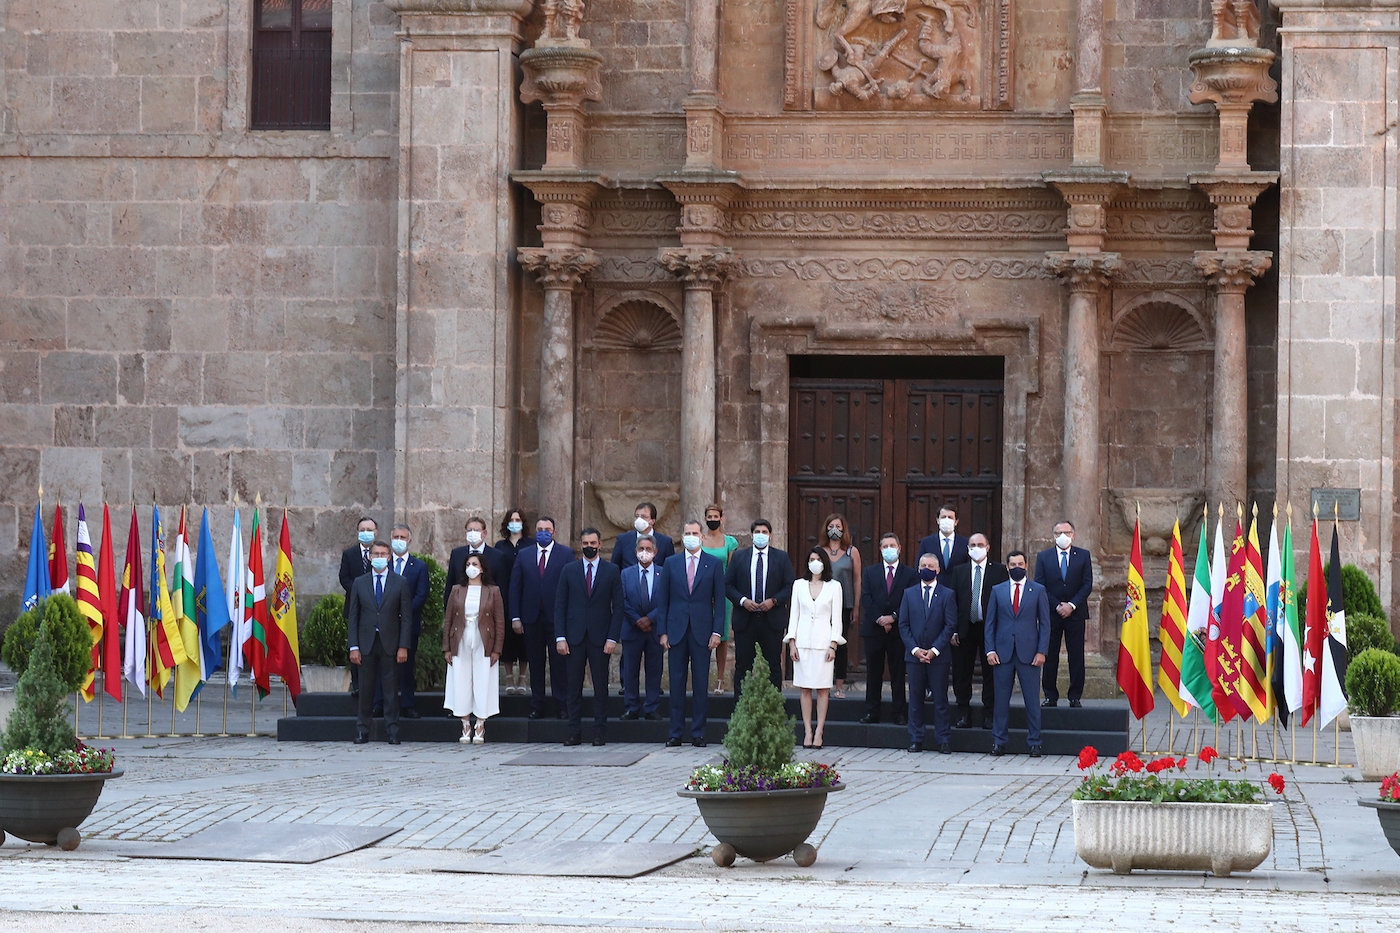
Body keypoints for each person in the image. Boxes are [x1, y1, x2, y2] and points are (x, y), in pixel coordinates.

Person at [655, 520, 725, 748]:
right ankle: (675, 732)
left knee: (700, 683)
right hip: (676, 630)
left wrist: (717, 631)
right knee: (676, 683)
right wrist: (662, 631)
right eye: (687, 533)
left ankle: (698, 732)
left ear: (702, 537)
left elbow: (720, 602)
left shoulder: (713, 564)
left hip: (702, 632)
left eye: (695, 533)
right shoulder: (671, 563)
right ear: (682, 536)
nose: (691, 536)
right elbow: (662, 600)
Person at [554, 528, 624, 746]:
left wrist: (613, 638)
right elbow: (560, 606)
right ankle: (574, 732)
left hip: (600, 638)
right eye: (585, 543)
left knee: (601, 688)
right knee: (573, 687)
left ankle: (598, 732)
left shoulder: (612, 571)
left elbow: (619, 607)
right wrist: (560, 637)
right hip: (573, 638)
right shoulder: (569, 570)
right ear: (580, 545)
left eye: (592, 542)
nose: (589, 546)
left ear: (600, 544)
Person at [984, 550, 1051, 757]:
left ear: (1026, 565)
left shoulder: (1038, 590)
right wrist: (990, 650)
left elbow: (1046, 624)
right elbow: (990, 623)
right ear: (1007, 567)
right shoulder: (998, 590)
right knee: (1001, 700)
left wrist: (1042, 651)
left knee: (1032, 700)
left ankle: (1034, 742)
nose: (1016, 568)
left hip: (1029, 654)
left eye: (1020, 564)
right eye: (1012, 565)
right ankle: (999, 741)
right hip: (1002, 653)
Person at [508, 516, 575, 719]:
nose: (543, 532)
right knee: (535, 663)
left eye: (547, 529)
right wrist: (515, 617)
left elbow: (572, 586)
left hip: (556, 618)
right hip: (531, 617)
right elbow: (515, 587)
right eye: (539, 529)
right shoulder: (524, 554)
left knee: (559, 664)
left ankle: (561, 705)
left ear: (554, 531)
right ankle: (537, 704)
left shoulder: (566, 553)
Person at [346, 540, 412, 745]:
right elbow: (353, 616)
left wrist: (403, 646)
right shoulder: (359, 582)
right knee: (365, 689)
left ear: (389, 557)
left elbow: (406, 618)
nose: (380, 557)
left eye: (384, 554)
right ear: (370, 557)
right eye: (376, 554)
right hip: (366, 643)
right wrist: (354, 646)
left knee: (391, 688)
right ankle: (362, 730)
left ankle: (392, 730)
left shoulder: (400, 582)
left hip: (390, 643)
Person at [725, 519, 794, 700]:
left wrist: (774, 600)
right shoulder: (739, 557)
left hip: (771, 620)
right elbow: (728, 585)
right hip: (745, 620)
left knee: (773, 665)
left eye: (764, 532)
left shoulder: (781, 557)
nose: (761, 535)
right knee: (743, 666)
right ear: (751, 535)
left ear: (770, 535)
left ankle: (773, 705)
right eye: (757, 532)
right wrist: (742, 601)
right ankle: (740, 707)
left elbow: (789, 586)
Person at [786, 547, 845, 750]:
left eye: (819, 559)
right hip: (803, 643)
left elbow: (836, 619)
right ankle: (807, 731)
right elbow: (794, 615)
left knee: (822, 689)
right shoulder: (798, 585)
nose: (815, 563)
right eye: (812, 559)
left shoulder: (834, 586)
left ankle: (819, 731)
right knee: (804, 689)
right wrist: (792, 642)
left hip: (823, 644)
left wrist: (833, 644)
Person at [948, 532, 1008, 729]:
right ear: (967, 548)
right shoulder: (960, 571)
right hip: (964, 629)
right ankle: (963, 712)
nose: (976, 548)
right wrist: (954, 629)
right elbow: (953, 602)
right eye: (972, 545)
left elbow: (1004, 602)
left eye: (980, 544)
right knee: (961, 672)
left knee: (990, 672)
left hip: (989, 629)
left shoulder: (999, 571)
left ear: (988, 547)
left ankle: (988, 713)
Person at [443, 554, 505, 744]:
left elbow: (499, 622)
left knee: (482, 679)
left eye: (475, 564)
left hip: (483, 640)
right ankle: (465, 723)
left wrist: (497, 649)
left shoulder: (493, 591)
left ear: (483, 568)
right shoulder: (457, 590)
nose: (471, 567)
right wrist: (446, 647)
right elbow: (448, 619)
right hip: (460, 639)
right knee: (461, 680)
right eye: (468, 564)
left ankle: (480, 723)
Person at [898, 551, 956, 754]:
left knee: (940, 699)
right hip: (914, 656)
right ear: (918, 568)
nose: (927, 570)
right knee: (915, 699)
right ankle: (916, 738)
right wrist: (915, 650)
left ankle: (943, 739)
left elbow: (950, 625)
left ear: (938, 570)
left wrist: (933, 650)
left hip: (938, 657)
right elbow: (903, 624)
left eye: (931, 566)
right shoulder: (909, 593)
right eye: (923, 566)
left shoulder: (947, 594)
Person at [1034, 520, 1093, 708]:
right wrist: (1058, 605)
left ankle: (1075, 695)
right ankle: (1050, 695)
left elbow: (1087, 584)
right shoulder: (1044, 557)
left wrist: (1072, 605)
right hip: (1052, 613)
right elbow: (1040, 584)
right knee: (1050, 655)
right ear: (1053, 536)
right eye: (1058, 533)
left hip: (1075, 614)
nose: (1063, 536)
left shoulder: (1083, 556)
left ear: (1073, 535)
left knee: (1076, 656)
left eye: (1066, 532)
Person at [859, 532, 915, 725]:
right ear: (880, 550)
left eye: (892, 545)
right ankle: (872, 711)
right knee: (873, 672)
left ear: (899, 548)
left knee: (898, 672)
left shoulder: (909, 574)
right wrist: (880, 619)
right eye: (885, 546)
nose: (889, 549)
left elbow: (910, 599)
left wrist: (893, 617)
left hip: (899, 630)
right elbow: (866, 597)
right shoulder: (870, 572)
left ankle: (899, 712)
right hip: (874, 629)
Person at [376, 523, 429, 719]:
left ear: (410, 541)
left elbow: (421, 595)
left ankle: (407, 704)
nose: (399, 541)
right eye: (395, 537)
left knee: (407, 667)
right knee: (383, 665)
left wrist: (402, 612)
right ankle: (379, 704)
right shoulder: (383, 564)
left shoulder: (419, 567)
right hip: (384, 625)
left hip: (408, 625)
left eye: (402, 537)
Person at [620, 534, 665, 721]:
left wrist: (650, 619)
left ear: (655, 552)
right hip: (632, 629)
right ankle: (631, 707)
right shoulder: (626, 574)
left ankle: (651, 707)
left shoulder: (663, 573)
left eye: (648, 549)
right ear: (635, 552)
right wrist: (637, 620)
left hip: (654, 630)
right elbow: (621, 600)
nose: (644, 553)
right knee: (630, 669)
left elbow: (665, 599)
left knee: (654, 669)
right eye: (641, 549)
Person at [820, 513, 862, 699]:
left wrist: (856, 606)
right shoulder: (819, 550)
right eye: (830, 526)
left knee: (841, 643)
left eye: (837, 526)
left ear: (844, 528)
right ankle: (823, 683)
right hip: (822, 604)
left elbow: (857, 579)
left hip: (844, 604)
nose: (834, 529)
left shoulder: (852, 551)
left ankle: (839, 685)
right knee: (822, 643)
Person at [699, 504, 739, 692]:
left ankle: (720, 680)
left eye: (716, 516)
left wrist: (721, 592)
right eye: (709, 516)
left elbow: (731, 570)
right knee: (702, 634)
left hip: (723, 594)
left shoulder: (729, 542)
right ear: (705, 519)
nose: (713, 519)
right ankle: (702, 677)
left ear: (721, 519)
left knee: (722, 636)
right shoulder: (699, 540)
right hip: (701, 594)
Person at [338, 516, 377, 696]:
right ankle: (357, 685)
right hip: (355, 606)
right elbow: (344, 577)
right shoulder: (349, 554)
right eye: (363, 530)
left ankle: (374, 686)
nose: (366, 533)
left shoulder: (380, 554)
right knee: (356, 647)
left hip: (375, 609)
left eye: (369, 530)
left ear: (376, 533)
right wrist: (360, 591)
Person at [495, 508, 529, 695]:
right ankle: (508, 676)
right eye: (512, 519)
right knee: (507, 637)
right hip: (504, 595)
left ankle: (522, 677)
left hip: (526, 596)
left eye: (518, 519)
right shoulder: (500, 546)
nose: (515, 522)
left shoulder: (530, 544)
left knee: (524, 638)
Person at [445, 517, 508, 609]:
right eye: (470, 530)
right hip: (461, 608)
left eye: (476, 530)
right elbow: (450, 583)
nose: (472, 533)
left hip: (487, 609)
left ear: (484, 533)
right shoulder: (457, 554)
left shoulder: (497, 556)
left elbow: (502, 587)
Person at [611, 502, 675, 569]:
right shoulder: (623, 539)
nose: (639, 520)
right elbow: (615, 567)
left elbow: (670, 568)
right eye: (637, 516)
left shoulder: (665, 542)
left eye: (644, 517)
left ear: (653, 521)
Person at [918, 505, 969, 573]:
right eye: (943, 517)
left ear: (956, 522)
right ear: (938, 520)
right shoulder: (926, 542)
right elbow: (919, 567)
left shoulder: (965, 543)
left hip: (957, 583)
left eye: (950, 517)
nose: (946, 520)